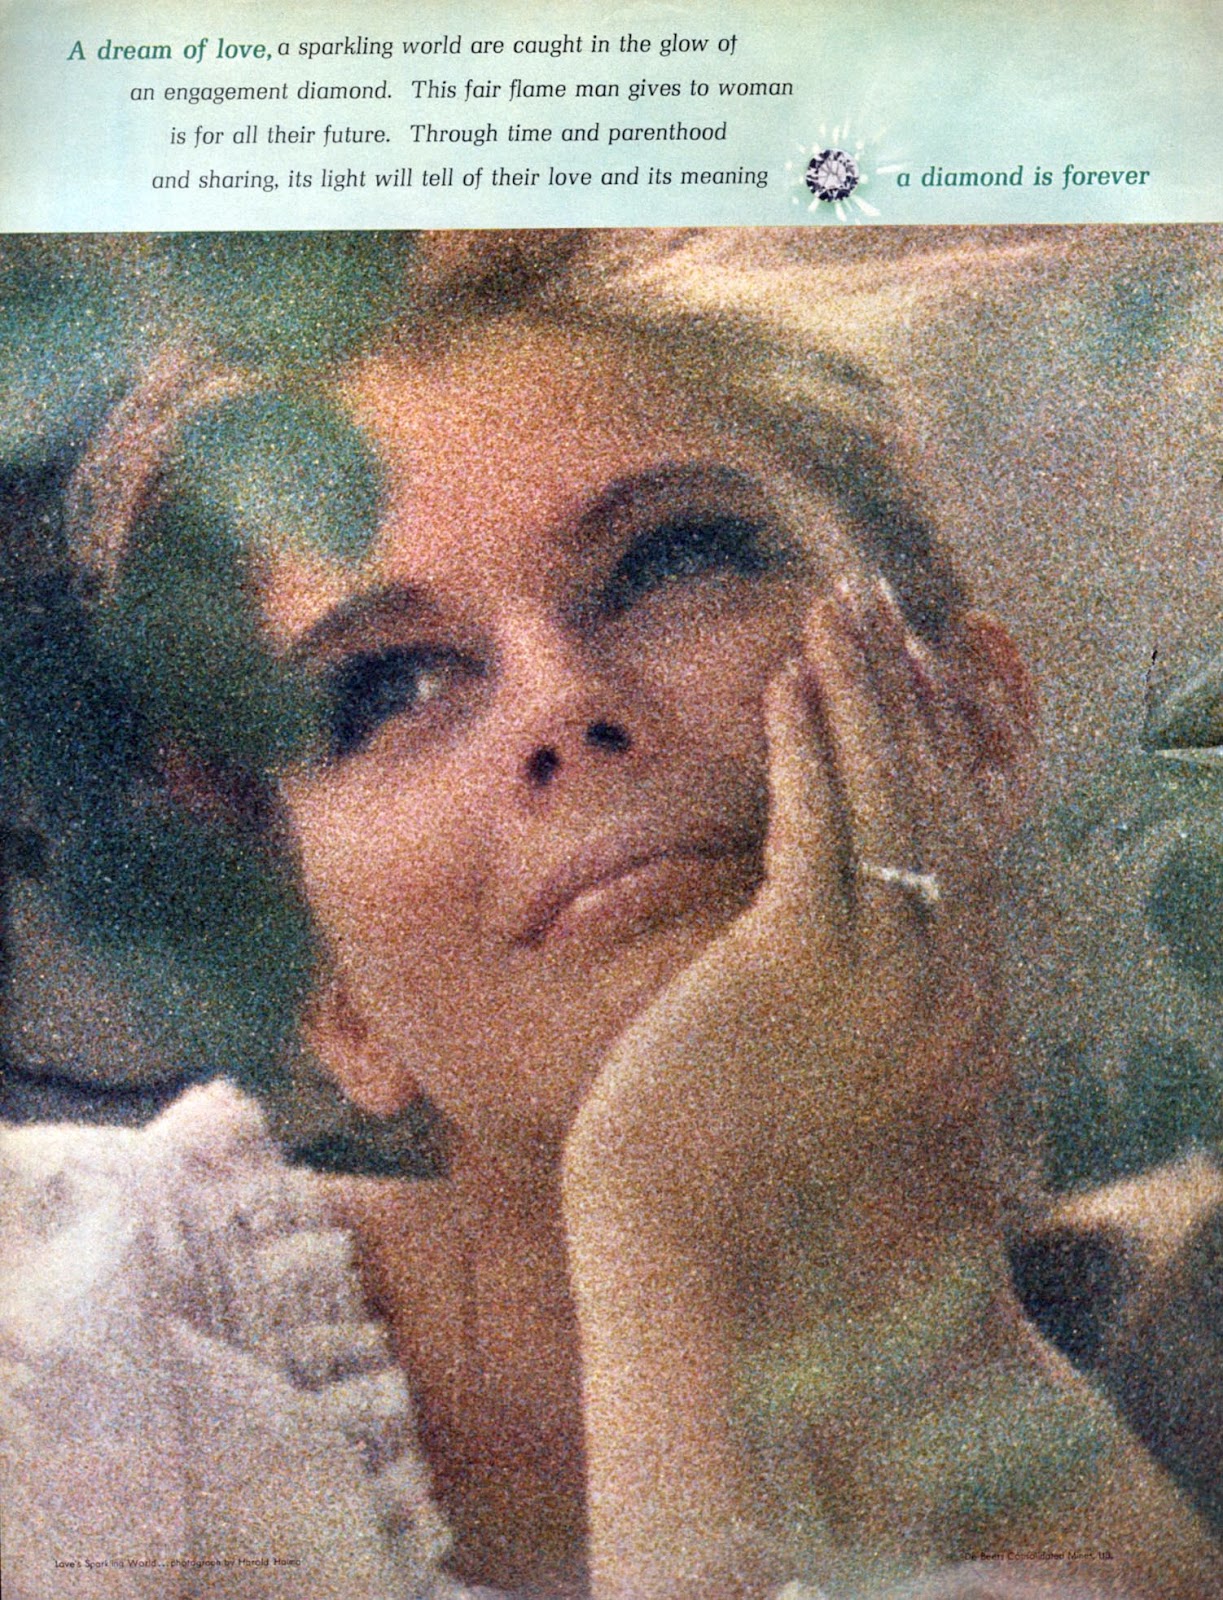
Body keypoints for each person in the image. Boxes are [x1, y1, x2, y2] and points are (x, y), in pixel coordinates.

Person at [1, 230, 1217, 1600]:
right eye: (388, 689)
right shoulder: (63, 1329)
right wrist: (668, 1226)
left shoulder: (1166, 1400)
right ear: (330, 999)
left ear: (975, 725)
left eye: (673, 560)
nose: (563, 703)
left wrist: (725, 1254)